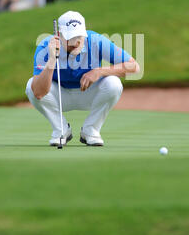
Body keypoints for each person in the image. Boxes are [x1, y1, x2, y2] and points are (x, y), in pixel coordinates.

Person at [25, 10, 140, 146]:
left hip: (89, 93)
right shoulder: (46, 46)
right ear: (59, 36)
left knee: (113, 83)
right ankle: (61, 130)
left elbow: (134, 67)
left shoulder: (95, 40)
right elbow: (38, 92)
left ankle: (90, 130)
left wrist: (99, 71)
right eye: (70, 37)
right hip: (60, 96)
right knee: (31, 85)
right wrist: (51, 60)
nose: (75, 42)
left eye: (79, 36)